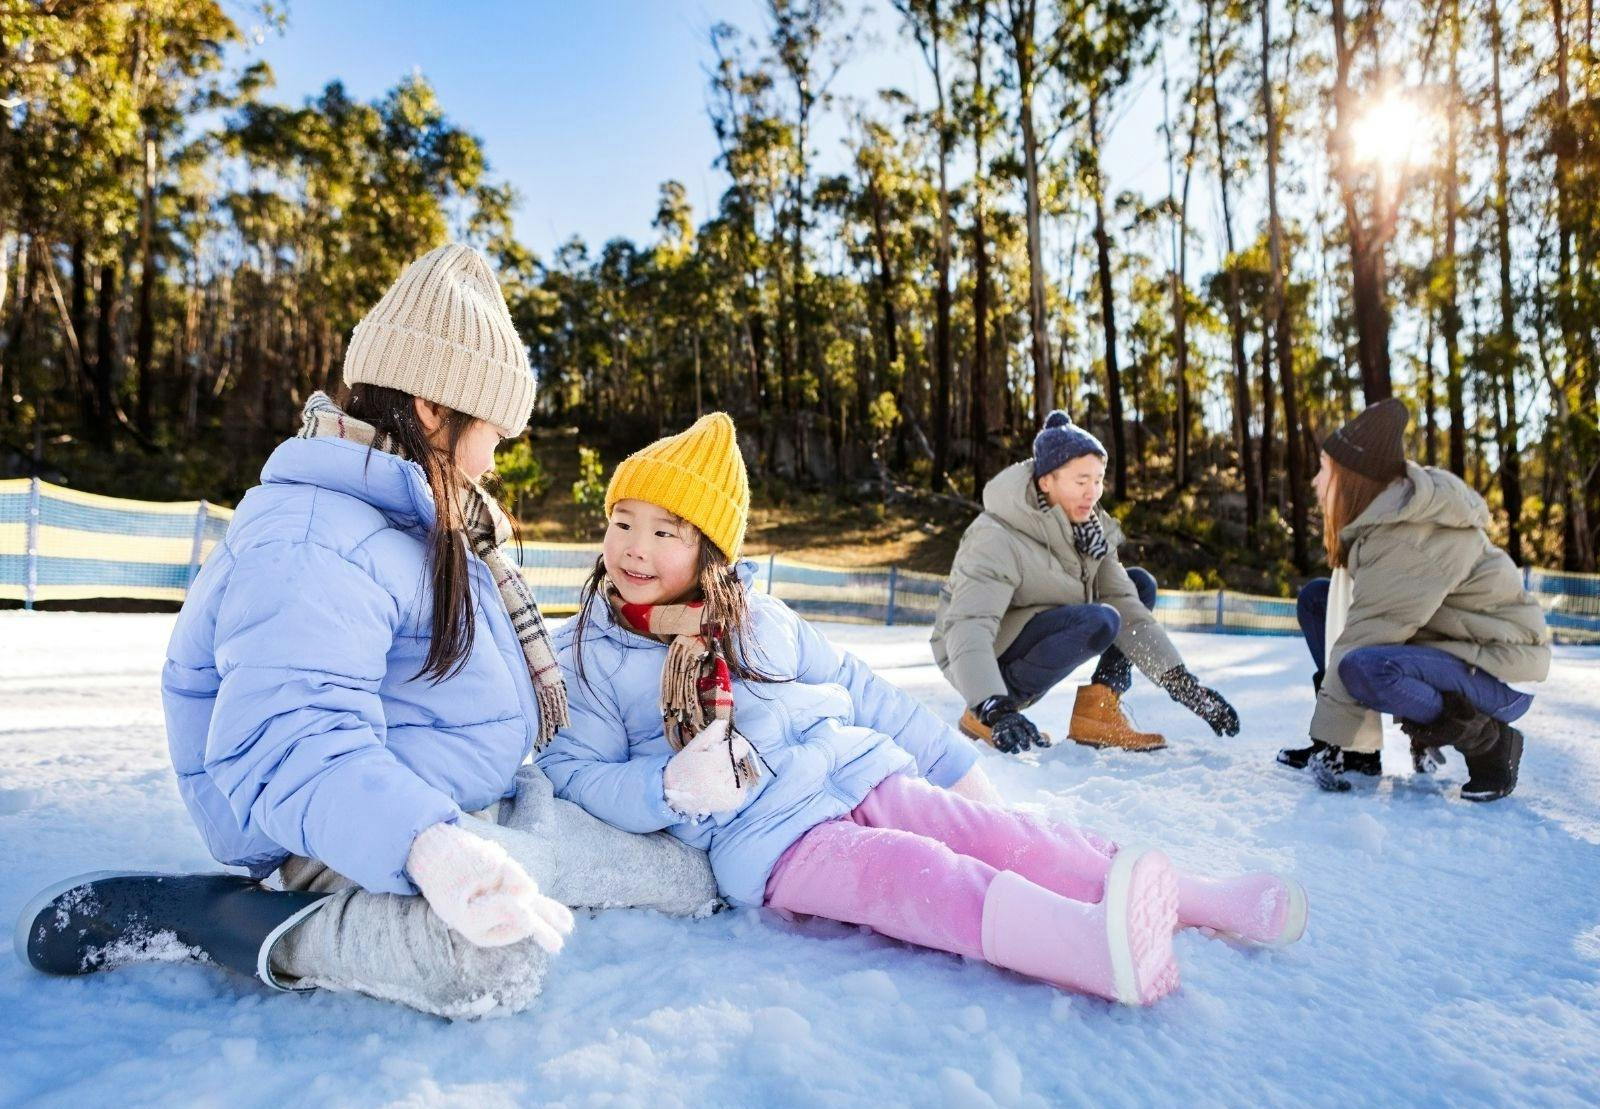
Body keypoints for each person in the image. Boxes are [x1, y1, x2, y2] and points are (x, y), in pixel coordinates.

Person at [15, 244, 716, 1018]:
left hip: (457, 805)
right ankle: (225, 921)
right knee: (491, 957)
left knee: (685, 875)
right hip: (330, 832)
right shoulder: (312, 537)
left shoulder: (438, 525)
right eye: (492, 432)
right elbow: (289, 734)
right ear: (432, 410)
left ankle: (508, 856)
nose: (494, 458)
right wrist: (428, 845)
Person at [539, 413, 1306, 1009]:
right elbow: (574, 769)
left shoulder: (759, 620)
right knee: (915, 876)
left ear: (711, 551)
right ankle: (1086, 946)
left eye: (665, 531)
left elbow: (860, 687)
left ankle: (1192, 898)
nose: (634, 549)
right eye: (621, 523)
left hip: (854, 771)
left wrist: (951, 762)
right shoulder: (591, 652)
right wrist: (666, 788)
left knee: (998, 834)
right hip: (772, 839)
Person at [1276, 399, 1550, 800]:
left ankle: (1488, 739)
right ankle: (1359, 751)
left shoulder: (1406, 535)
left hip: (1497, 669)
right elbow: (1355, 620)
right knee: (1319, 600)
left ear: (1350, 480)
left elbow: (1364, 636)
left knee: (1365, 667)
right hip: (1456, 650)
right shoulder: (1385, 518)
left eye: (1323, 470)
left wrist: (1328, 738)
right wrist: (1345, 741)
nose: (1316, 482)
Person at [931, 411, 1239, 754]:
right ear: (1046, 481)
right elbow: (968, 625)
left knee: (1138, 586)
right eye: (1081, 481)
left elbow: (1128, 607)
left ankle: (1098, 711)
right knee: (1100, 621)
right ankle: (986, 712)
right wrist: (990, 702)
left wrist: (1181, 683)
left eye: (1098, 480)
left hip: (1034, 631)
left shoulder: (1089, 533)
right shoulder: (997, 535)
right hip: (979, 657)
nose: (1092, 492)